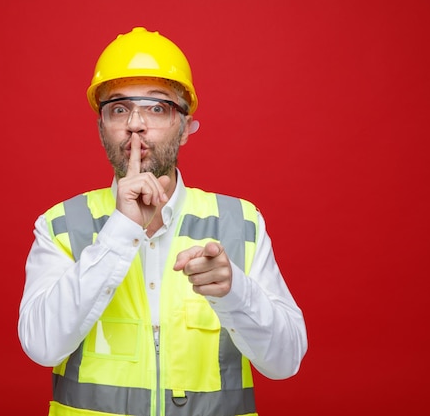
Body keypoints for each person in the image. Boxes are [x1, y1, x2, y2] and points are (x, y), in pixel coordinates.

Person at [18, 27, 307, 416]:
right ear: (101, 126)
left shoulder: (241, 223)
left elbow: (286, 361)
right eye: (119, 108)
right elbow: (42, 346)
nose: (136, 124)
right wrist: (120, 229)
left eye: (157, 108)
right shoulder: (61, 226)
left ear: (186, 128)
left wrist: (234, 290)